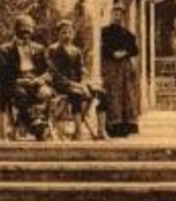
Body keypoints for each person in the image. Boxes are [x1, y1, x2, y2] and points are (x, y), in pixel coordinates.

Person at [0, 15, 52, 139]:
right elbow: (0, 74)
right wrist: (20, 81)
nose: (27, 30)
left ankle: (40, 123)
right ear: (15, 29)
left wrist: (40, 80)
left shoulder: (39, 48)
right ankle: (36, 125)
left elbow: (48, 70)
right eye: (23, 26)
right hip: (15, 83)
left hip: (35, 81)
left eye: (29, 27)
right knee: (20, 94)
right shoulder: (4, 50)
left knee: (47, 92)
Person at [46, 18, 104, 139]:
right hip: (60, 84)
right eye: (63, 32)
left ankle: (101, 130)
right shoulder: (53, 50)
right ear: (58, 34)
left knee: (102, 93)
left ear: (73, 34)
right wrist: (76, 85)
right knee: (76, 94)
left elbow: (81, 69)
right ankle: (78, 131)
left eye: (69, 32)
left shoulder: (76, 50)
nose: (67, 35)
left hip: (78, 84)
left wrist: (83, 83)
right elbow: (54, 73)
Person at [100, 7, 141, 137]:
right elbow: (101, 48)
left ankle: (126, 126)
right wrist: (112, 54)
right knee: (112, 93)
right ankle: (113, 125)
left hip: (124, 67)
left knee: (126, 95)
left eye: (120, 14)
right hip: (111, 66)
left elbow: (135, 50)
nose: (117, 16)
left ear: (123, 17)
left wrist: (125, 52)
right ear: (111, 15)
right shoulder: (104, 32)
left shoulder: (128, 34)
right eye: (115, 14)